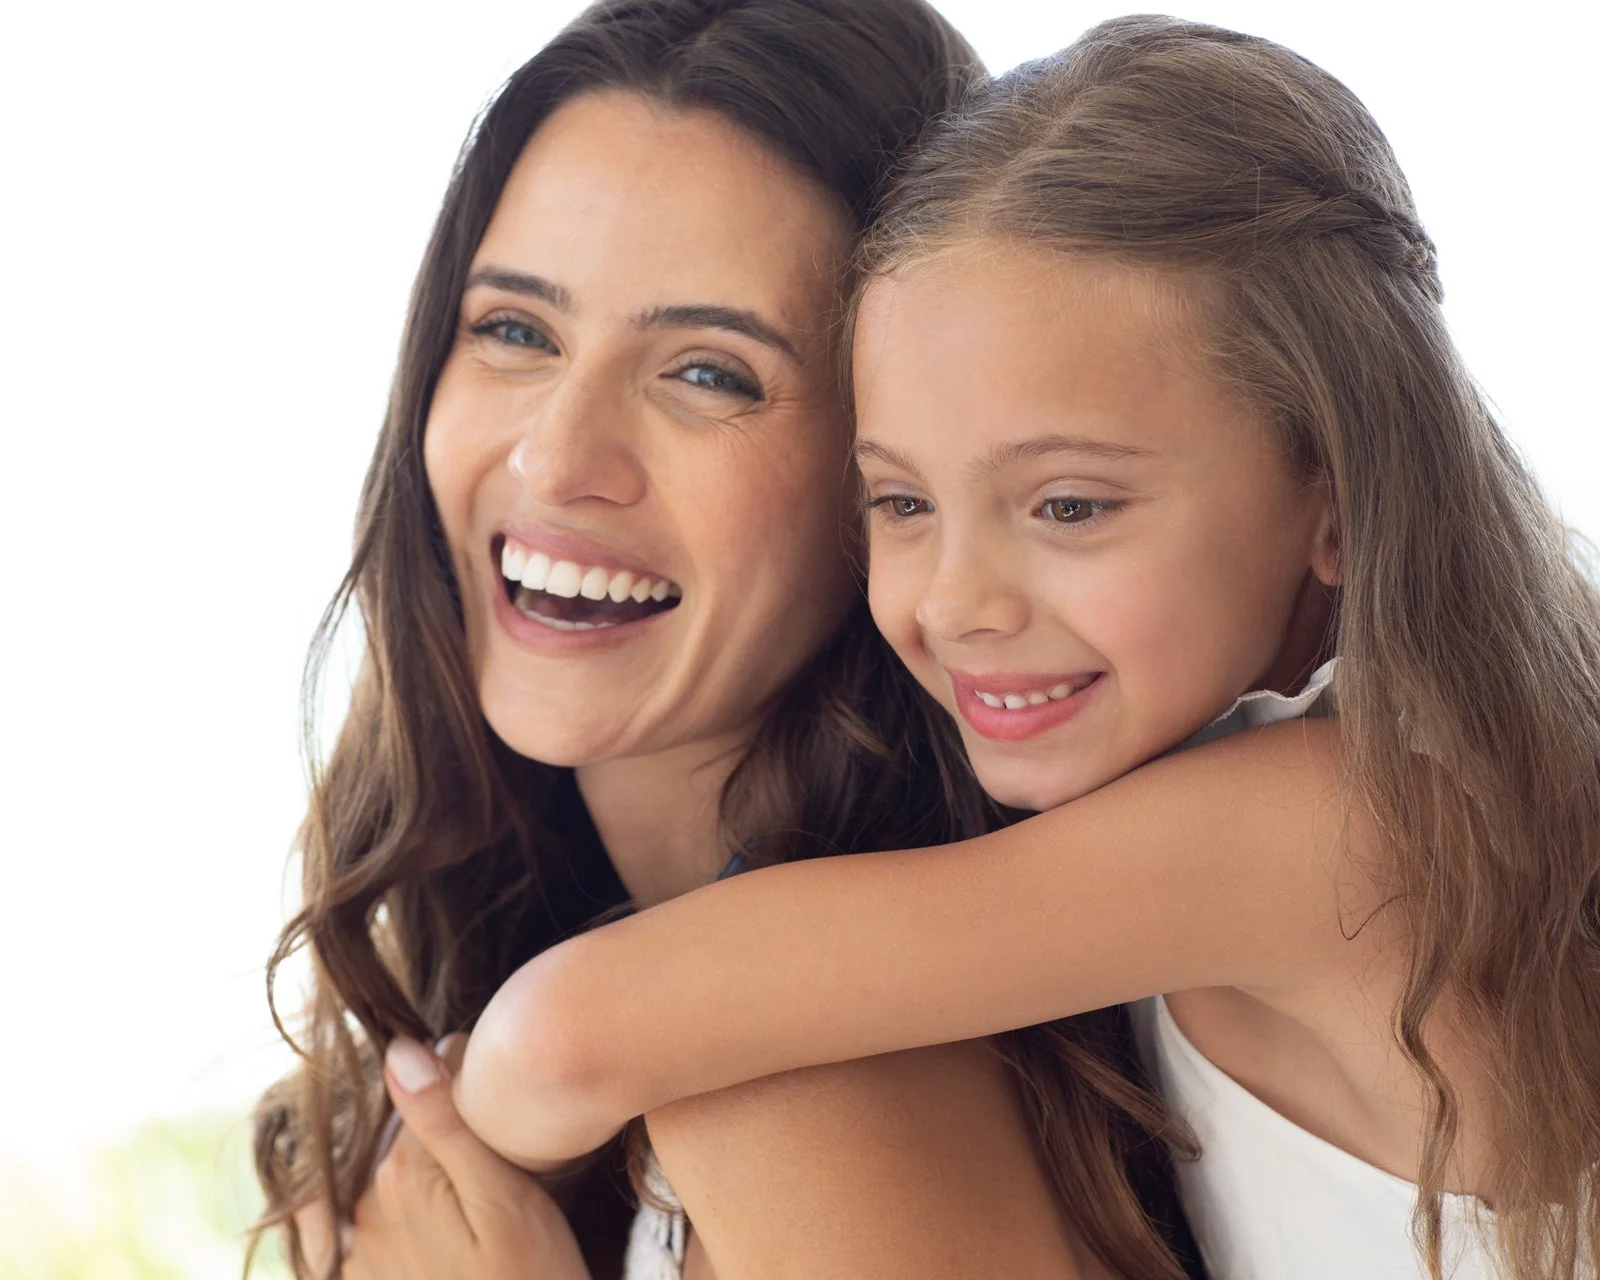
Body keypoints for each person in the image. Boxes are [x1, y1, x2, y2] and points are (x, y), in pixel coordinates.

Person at [451, 16, 1600, 1280]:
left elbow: (562, 1038)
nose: (959, 602)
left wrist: (479, 1156)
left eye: (1068, 507)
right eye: (900, 503)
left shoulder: (1340, 822)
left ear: (1333, 494)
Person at [252, 3, 1202, 1278]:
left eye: (710, 373)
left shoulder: (802, 1092)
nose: (555, 457)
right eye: (516, 332)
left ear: (888, 473)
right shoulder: (557, 983)